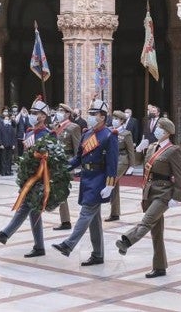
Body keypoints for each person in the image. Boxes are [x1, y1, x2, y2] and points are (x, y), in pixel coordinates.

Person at [51, 99, 118, 266]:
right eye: (90, 114)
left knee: (86, 213)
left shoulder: (109, 136)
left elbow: (112, 163)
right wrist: (64, 168)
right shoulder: (87, 134)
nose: (90, 117)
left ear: (102, 117)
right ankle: (98, 255)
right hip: (87, 178)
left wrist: (110, 185)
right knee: (94, 221)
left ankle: (68, 244)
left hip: (99, 179)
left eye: (94, 114)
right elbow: (78, 158)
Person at [115, 118, 181, 278]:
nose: (156, 130)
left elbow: (179, 176)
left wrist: (177, 197)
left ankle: (127, 241)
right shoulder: (152, 147)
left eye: (159, 127)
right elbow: (143, 165)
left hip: (164, 193)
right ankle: (159, 267)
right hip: (150, 192)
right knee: (156, 232)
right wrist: (139, 149)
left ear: (166, 132)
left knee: (147, 220)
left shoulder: (173, 150)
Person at [0, 98, 55, 257]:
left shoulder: (48, 134)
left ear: (44, 116)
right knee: (33, 212)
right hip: (29, 176)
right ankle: (39, 247)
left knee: (26, 206)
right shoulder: (29, 132)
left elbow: (53, 157)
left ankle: (5, 233)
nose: (32, 115)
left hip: (40, 177)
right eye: (31, 113)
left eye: (36, 113)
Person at [52, 103, 82, 230]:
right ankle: (65, 220)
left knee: (61, 191)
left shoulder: (73, 127)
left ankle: (66, 222)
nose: (59, 113)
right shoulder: (57, 127)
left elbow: (78, 148)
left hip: (67, 163)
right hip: (56, 163)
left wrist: (78, 166)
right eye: (58, 110)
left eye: (61, 111)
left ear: (68, 114)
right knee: (59, 191)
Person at [106, 110, 136, 222]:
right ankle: (115, 213)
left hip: (122, 160)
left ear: (122, 121)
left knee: (110, 180)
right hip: (111, 159)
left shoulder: (126, 133)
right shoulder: (108, 131)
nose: (114, 121)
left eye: (117, 119)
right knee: (114, 186)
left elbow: (130, 150)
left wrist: (132, 165)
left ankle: (113, 211)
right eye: (113, 118)